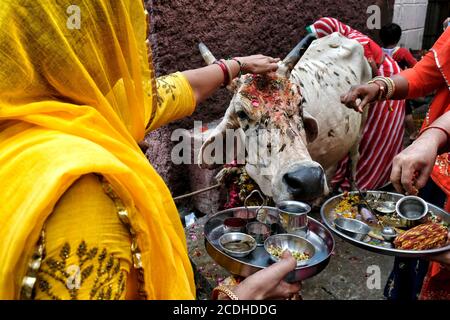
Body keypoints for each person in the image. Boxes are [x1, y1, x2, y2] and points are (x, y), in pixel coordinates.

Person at [0, 0, 301, 300]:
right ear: (91, 39)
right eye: (126, 24)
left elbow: (177, 90)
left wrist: (236, 66)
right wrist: (241, 298)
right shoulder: (83, 198)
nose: (136, 42)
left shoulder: (52, 104)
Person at [341, 25, 450, 300]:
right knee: (415, 253)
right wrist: (380, 86)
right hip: (434, 173)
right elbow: (425, 75)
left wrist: (433, 136)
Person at [306, 17, 406, 191]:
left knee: (376, 132)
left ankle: (368, 179)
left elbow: (373, 70)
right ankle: (349, 175)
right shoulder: (345, 41)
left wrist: (374, 88)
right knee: (359, 130)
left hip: (385, 78)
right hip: (369, 83)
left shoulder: (357, 42)